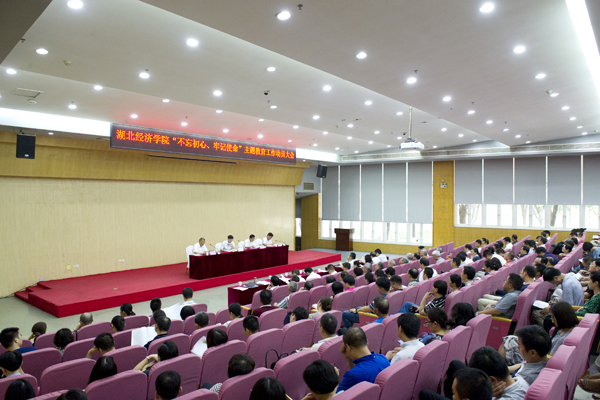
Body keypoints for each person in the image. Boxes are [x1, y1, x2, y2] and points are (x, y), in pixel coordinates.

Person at [337, 327, 390, 393]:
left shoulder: (352, 376)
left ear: (348, 347)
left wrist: (334, 380)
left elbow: (337, 396)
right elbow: (358, 370)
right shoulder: (384, 359)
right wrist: (348, 358)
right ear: (367, 342)